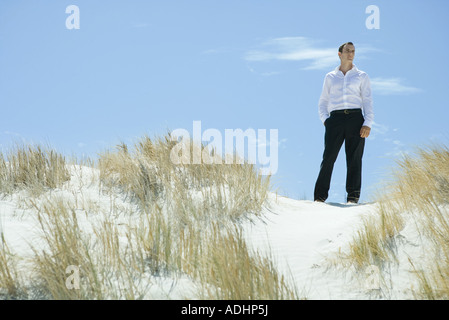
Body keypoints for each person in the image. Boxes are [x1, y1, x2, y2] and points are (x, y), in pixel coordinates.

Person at [314, 42, 374, 204]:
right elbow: (323, 101)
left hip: (356, 118)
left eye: (353, 51)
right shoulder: (330, 77)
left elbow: (367, 100)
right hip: (335, 119)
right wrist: (326, 120)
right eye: (347, 51)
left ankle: (352, 198)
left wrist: (367, 123)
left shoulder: (362, 76)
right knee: (328, 158)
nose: (351, 53)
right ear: (339, 54)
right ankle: (319, 198)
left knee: (354, 159)